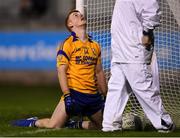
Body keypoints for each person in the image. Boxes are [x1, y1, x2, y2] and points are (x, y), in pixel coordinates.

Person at [12, 9, 107, 130]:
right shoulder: (67, 44)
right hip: (74, 94)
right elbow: (61, 71)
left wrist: (106, 94)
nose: (81, 15)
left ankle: (74, 124)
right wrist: (67, 95)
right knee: (54, 125)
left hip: (92, 96)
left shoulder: (95, 45)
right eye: (75, 15)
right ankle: (33, 122)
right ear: (70, 24)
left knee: (102, 126)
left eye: (80, 14)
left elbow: (99, 72)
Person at [102, 0, 175, 133]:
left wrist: (147, 32)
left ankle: (164, 122)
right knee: (116, 88)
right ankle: (110, 124)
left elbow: (152, 10)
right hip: (119, 48)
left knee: (143, 87)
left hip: (133, 47)